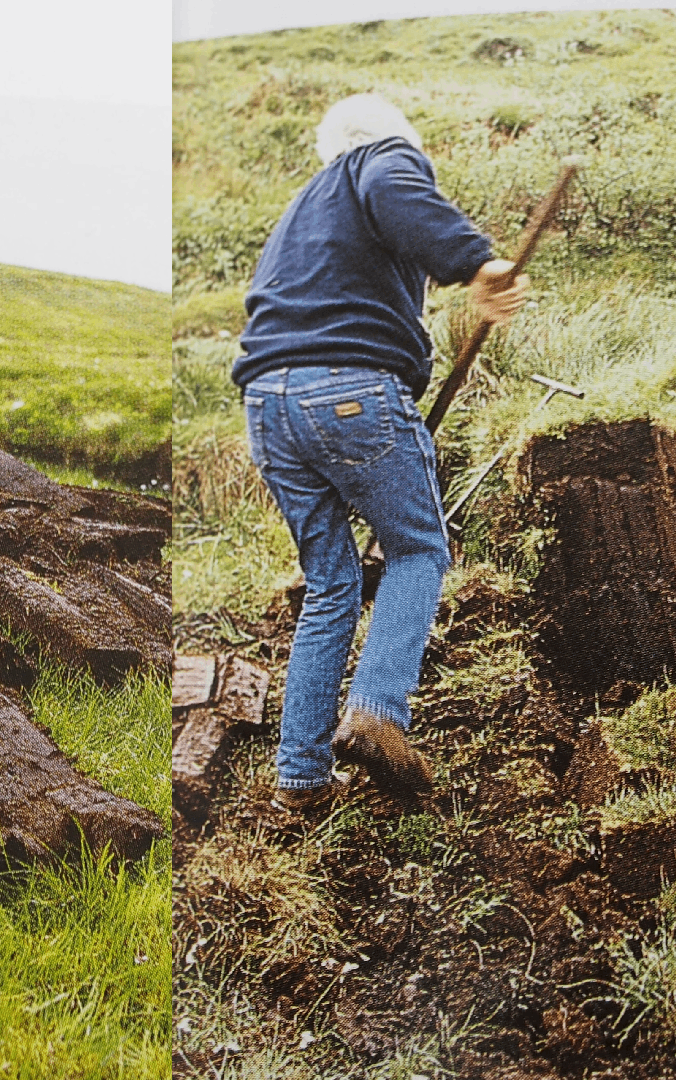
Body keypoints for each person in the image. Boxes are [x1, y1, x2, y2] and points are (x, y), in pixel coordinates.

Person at [233, 93, 526, 810]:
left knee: (330, 584)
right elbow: (399, 191)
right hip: (349, 391)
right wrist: (477, 263)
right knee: (419, 551)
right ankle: (377, 711)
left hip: (266, 405)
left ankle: (300, 778)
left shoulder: (304, 211)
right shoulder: (382, 159)